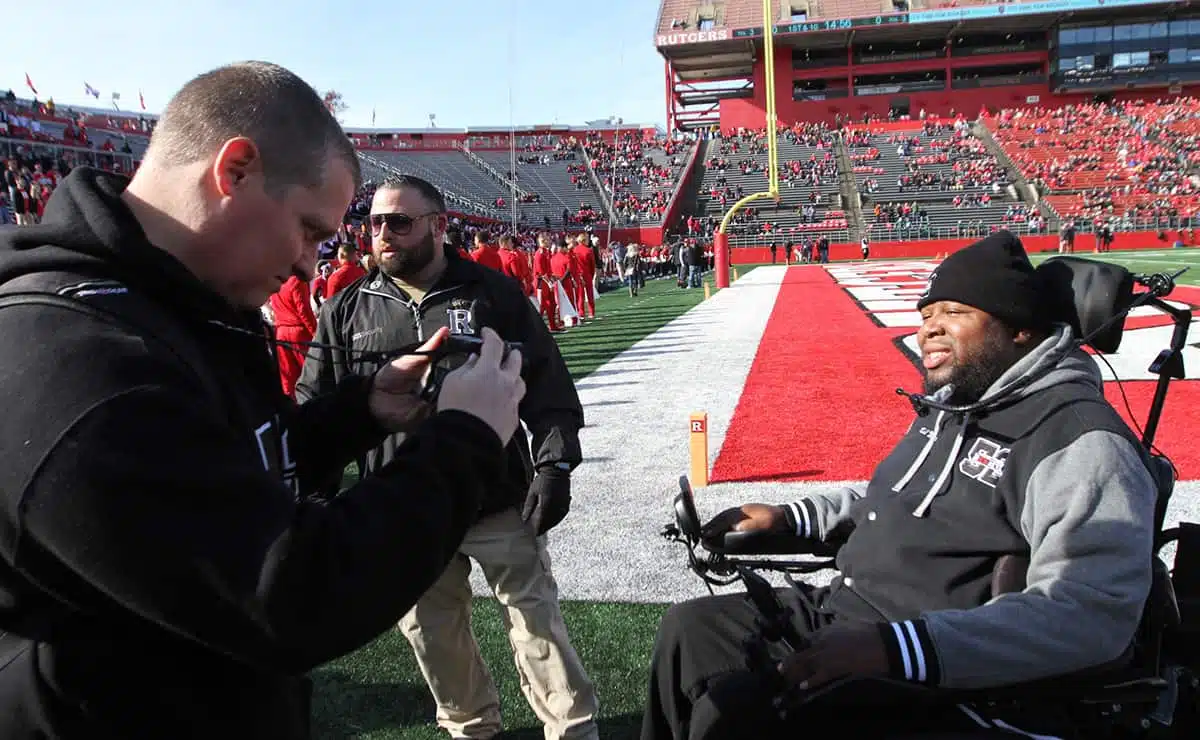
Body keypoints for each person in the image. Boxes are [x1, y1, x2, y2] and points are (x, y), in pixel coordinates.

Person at [0, 61, 528, 738]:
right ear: (236, 170)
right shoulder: (69, 356)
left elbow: (228, 475)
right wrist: (465, 436)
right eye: (309, 229)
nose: (312, 263)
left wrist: (356, 412)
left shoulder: (185, 305)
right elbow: (290, 595)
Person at [641, 231, 1160, 740]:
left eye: (954, 312)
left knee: (734, 712)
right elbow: (895, 503)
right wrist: (788, 519)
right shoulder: (959, 403)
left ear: (1019, 328)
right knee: (690, 633)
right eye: (926, 315)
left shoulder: (1080, 441)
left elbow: (1090, 610)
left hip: (937, 665)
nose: (928, 330)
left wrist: (895, 648)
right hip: (849, 613)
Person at [295, 175, 600, 740]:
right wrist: (314, 488)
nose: (381, 234)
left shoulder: (493, 294)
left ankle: (573, 730)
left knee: (537, 623)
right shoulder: (344, 308)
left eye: (399, 222)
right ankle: (471, 729)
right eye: (374, 223)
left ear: (438, 225)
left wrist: (554, 464)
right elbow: (315, 402)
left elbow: (548, 382)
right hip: (400, 504)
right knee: (431, 632)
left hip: (496, 495)